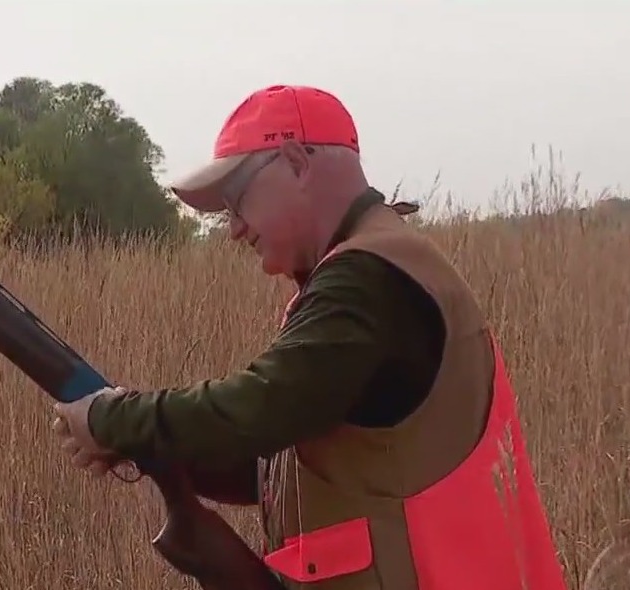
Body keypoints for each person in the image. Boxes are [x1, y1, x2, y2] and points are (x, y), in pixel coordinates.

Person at [51, 84, 569, 589]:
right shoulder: (374, 269)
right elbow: (286, 469)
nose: (233, 228)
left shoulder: (367, 277)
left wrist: (110, 417)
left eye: (236, 200)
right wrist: (141, 447)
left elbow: (259, 407)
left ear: (297, 162)